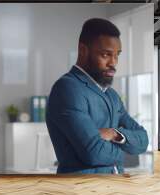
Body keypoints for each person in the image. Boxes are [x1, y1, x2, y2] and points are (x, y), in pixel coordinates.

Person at [46, 18, 148, 174]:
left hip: (114, 188)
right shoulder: (67, 89)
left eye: (117, 55)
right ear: (83, 50)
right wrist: (127, 151)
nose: (113, 63)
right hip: (81, 191)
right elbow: (93, 153)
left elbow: (143, 140)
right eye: (106, 54)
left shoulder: (112, 96)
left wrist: (115, 134)